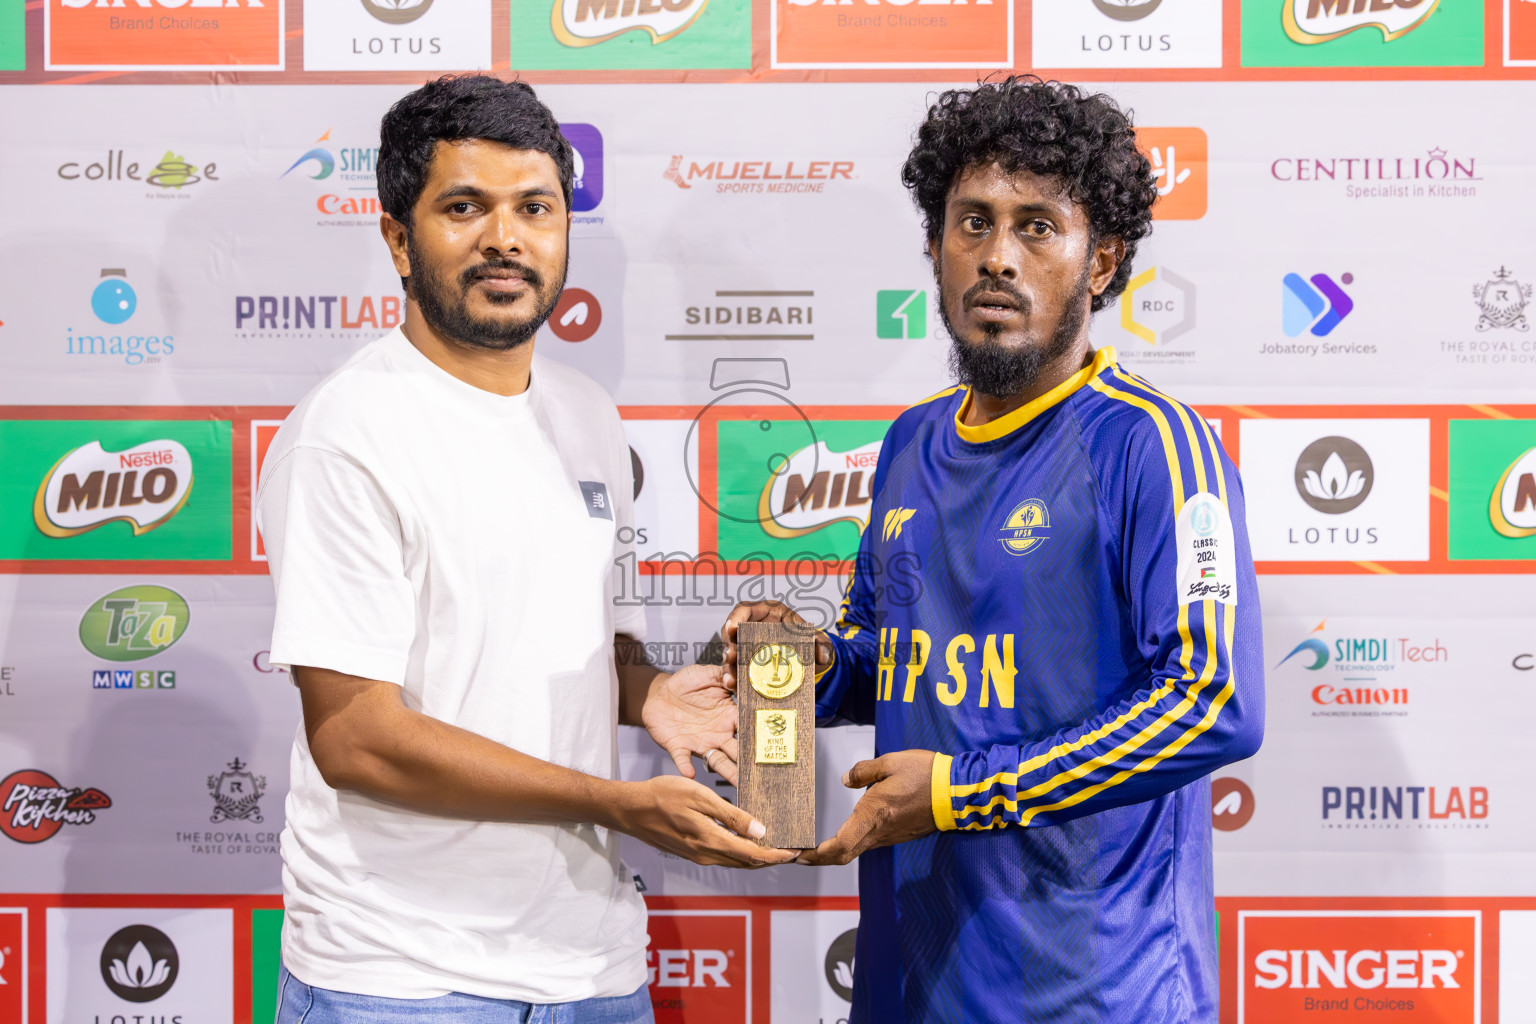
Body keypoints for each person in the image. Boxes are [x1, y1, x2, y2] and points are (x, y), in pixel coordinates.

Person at [721, 77, 1264, 1023]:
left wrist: (964, 794)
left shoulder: (1157, 447)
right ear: (935, 246)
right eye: (971, 222)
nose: (997, 258)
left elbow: (1215, 702)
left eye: (1038, 226)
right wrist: (809, 664)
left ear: (1102, 263)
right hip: (911, 976)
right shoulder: (910, 441)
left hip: (1090, 990)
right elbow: (882, 656)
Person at [256, 75, 791, 1024]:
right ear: (396, 238)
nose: (505, 237)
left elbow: (593, 649)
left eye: (534, 207)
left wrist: (656, 695)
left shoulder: (586, 413)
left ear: (563, 234)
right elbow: (355, 739)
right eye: (464, 207)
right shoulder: (348, 433)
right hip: (402, 979)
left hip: (591, 969)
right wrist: (615, 803)